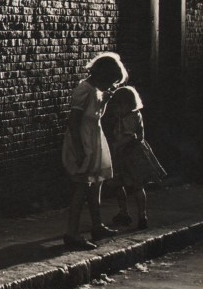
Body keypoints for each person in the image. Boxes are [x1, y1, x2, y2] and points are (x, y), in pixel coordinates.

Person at [61, 52, 127, 250]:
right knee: (81, 188)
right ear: (103, 75)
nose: (111, 86)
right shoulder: (84, 89)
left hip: (94, 137)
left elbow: (95, 114)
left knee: (96, 184)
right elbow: (74, 122)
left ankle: (97, 226)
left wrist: (105, 100)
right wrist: (80, 150)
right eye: (111, 81)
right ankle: (71, 233)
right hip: (83, 139)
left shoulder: (97, 90)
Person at [108, 84, 166, 230]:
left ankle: (129, 213)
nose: (115, 110)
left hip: (128, 155)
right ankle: (138, 214)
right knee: (133, 185)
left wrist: (115, 146)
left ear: (126, 105)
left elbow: (129, 137)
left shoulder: (128, 119)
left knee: (126, 184)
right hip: (132, 155)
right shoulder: (133, 115)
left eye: (117, 106)